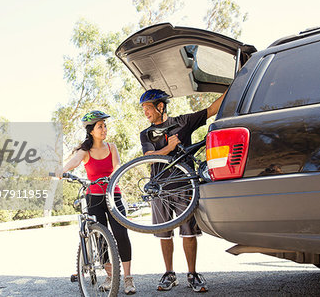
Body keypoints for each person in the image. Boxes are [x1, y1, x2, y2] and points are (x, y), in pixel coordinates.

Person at [139, 89, 226, 293]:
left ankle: (192, 274)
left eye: (148, 108)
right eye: (143, 109)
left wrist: (234, 85)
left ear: (161, 107)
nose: (145, 113)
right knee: (164, 235)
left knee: (188, 233)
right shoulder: (146, 133)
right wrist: (168, 149)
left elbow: (211, 109)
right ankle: (169, 273)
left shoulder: (183, 122)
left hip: (184, 186)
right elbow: (149, 157)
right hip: (159, 188)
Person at [57, 110, 136, 295]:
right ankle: (111, 277)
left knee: (121, 234)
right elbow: (74, 162)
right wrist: (61, 170)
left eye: (105, 126)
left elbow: (116, 166)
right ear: (91, 130)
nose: (104, 129)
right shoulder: (85, 151)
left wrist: (111, 177)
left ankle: (128, 278)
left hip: (113, 195)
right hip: (93, 198)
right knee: (100, 239)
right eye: (100, 126)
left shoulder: (112, 147)